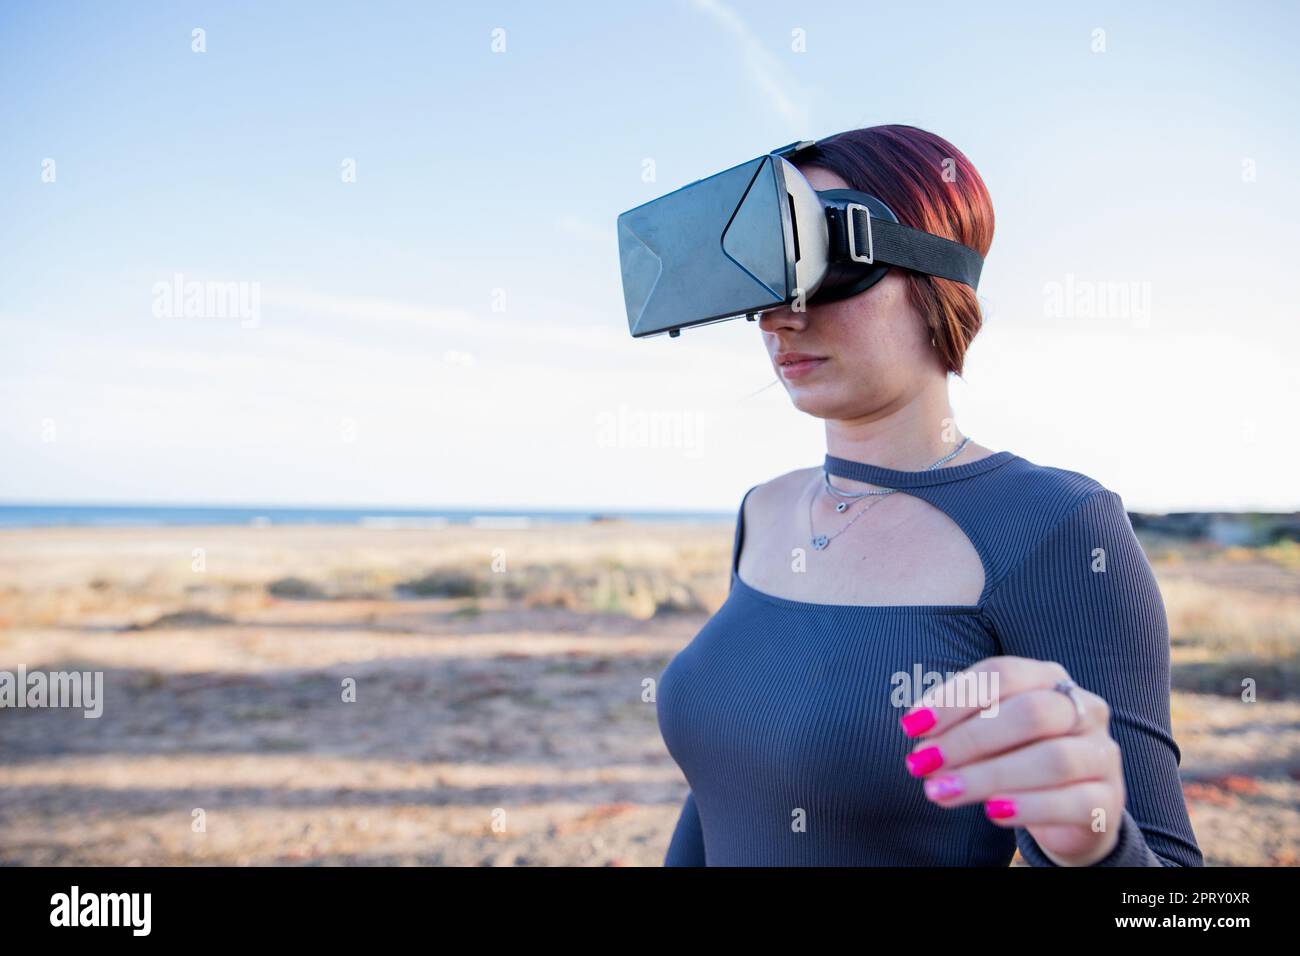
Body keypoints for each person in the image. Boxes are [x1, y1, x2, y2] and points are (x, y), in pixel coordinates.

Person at [655, 124, 1203, 867]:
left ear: (937, 272)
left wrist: (1094, 846)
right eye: (767, 272)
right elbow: (716, 802)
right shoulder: (764, 510)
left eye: (827, 261)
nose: (783, 314)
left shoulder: (1056, 526)